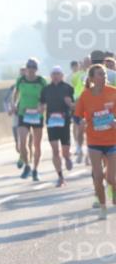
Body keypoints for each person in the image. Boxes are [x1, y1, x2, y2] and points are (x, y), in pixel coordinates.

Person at [73, 64, 116, 219]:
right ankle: (103, 207)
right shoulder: (85, 96)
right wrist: (82, 122)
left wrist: (114, 121)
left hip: (112, 140)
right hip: (94, 141)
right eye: (99, 74)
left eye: (104, 74)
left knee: (111, 179)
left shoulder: (113, 92)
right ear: (91, 78)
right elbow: (77, 116)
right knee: (97, 176)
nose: (103, 77)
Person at [40, 65, 76, 186]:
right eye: (53, 74)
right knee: (55, 150)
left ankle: (67, 157)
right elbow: (41, 103)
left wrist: (70, 104)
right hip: (51, 122)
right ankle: (60, 177)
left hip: (64, 122)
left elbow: (74, 105)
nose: (55, 76)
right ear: (51, 76)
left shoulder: (68, 88)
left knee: (64, 150)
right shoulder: (46, 89)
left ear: (62, 75)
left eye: (58, 74)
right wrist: (40, 109)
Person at [13, 59, 48, 181]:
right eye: (29, 67)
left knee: (36, 145)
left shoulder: (41, 81)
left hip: (37, 115)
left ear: (36, 69)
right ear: (26, 68)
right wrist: (14, 104)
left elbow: (47, 96)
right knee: (22, 142)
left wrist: (43, 106)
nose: (31, 70)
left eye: (33, 67)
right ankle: (27, 165)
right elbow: (16, 93)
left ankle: (35, 169)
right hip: (24, 113)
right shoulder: (21, 80)